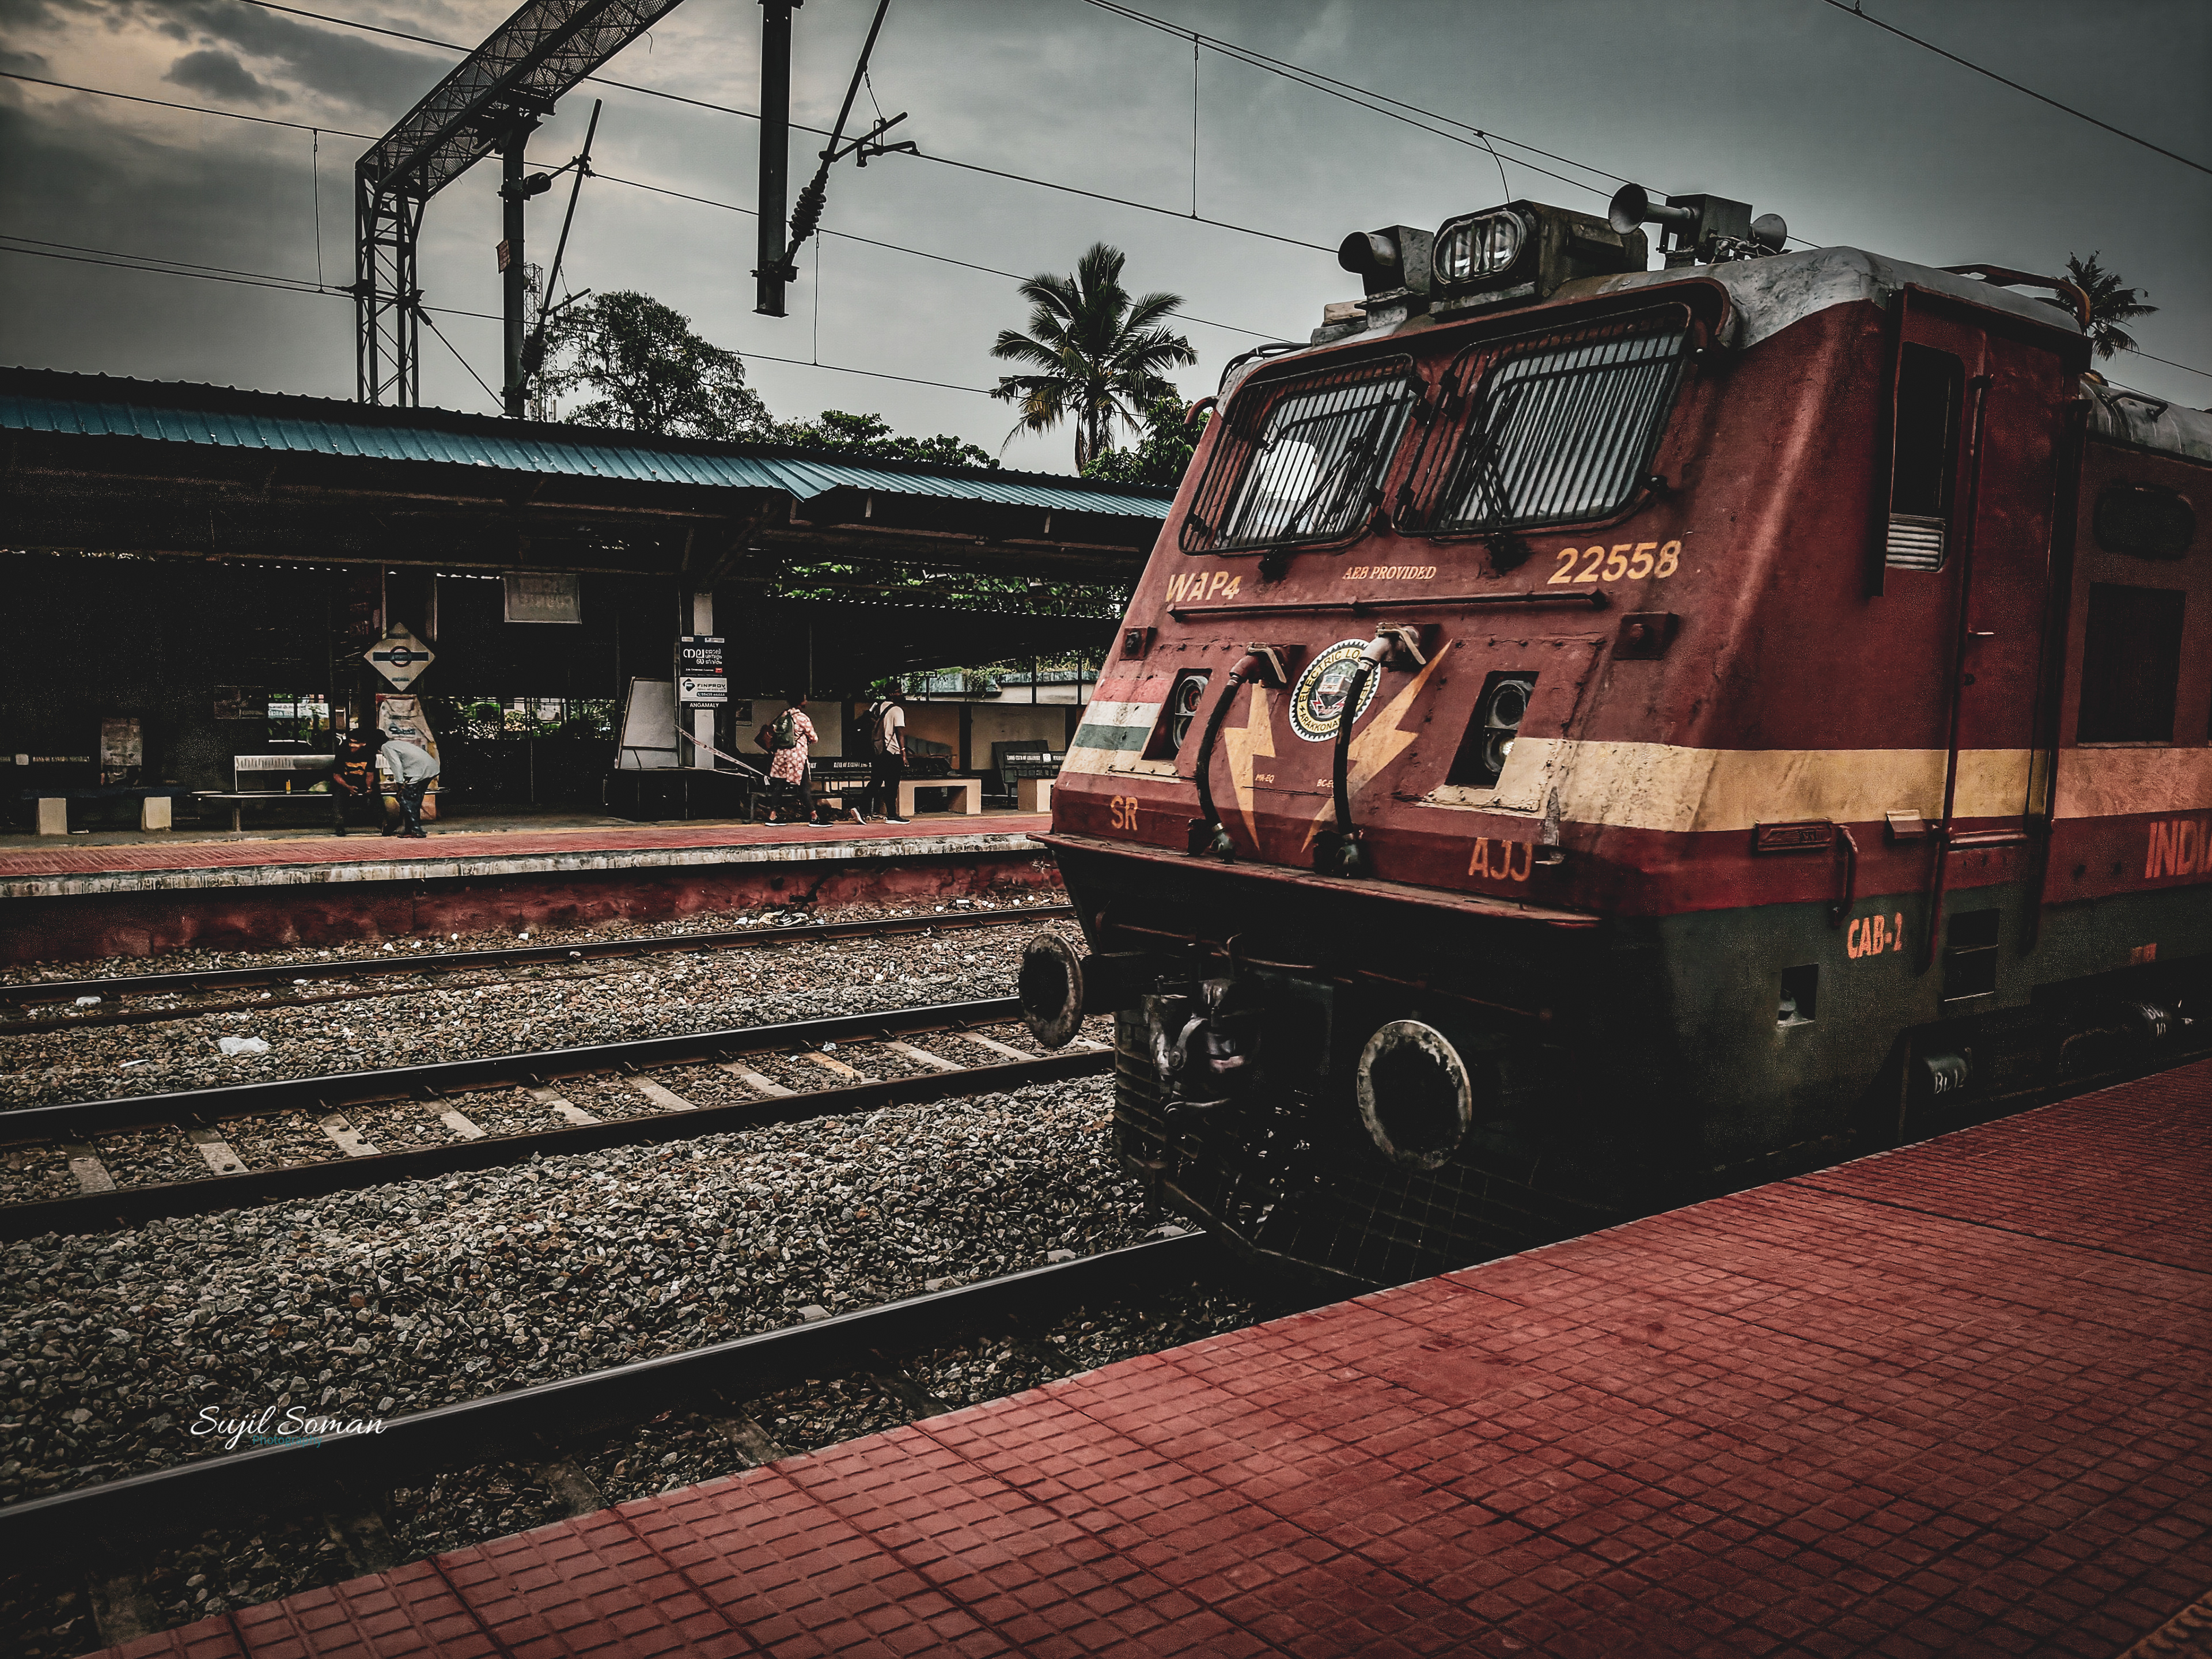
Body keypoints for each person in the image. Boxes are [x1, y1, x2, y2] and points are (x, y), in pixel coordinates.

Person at [758, 695, 821, 828]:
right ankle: (814, 817)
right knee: (805, 786)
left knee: (780, 786)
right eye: (805, 698)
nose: (807, 700)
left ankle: (772, 816)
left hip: (782, 756)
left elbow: (775, 732)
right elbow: (814, 737)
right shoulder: (802, 718)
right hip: (797, 757)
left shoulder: (783, 716)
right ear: (801, 702)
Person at [859, 685, 908, 824]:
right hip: (891, 751)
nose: (901, 694)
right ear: (892, 694)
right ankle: (891, 815)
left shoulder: (878, 707)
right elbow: (900, 732)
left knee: (876, 781)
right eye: (898, 691)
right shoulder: (897, 710)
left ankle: (861, 808)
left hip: (878, 751)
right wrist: (903, 752)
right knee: (892, 785)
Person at [379, 734, 441, 839]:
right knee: (414, 800)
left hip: (419, 771)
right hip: (430, 768)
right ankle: (408, 830)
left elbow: (397, 766)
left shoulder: (386, 747)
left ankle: (416, 829)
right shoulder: (396, 744)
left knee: (407, 799)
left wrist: (400, 785)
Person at [326, 728, 383, 836]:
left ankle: (382, 824)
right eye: (350, 742)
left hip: (361, 781)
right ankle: (339, 825)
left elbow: (370, 774)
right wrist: (348, 787)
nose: (352, 745)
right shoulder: (342, 750)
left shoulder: (370, 752)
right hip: (344, 782)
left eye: (355, 743)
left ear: (364, 744)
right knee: (339, 795)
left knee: (375, 795)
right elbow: (336, 775)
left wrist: (369, 787)